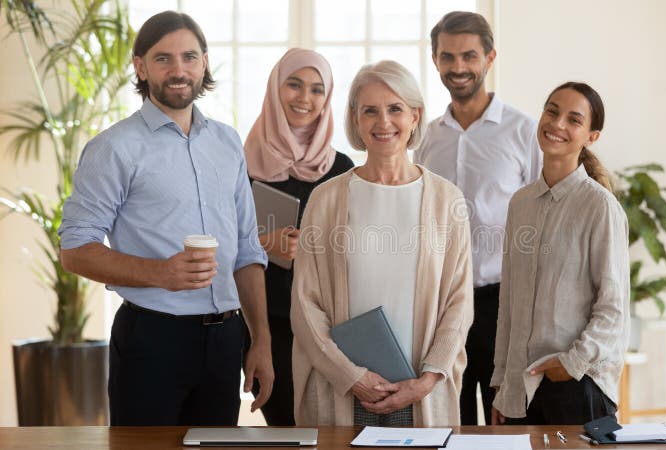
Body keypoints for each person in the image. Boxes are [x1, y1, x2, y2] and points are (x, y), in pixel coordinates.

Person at [58, 11, 274, 426]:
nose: (179, 70)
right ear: (140, 66)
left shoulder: (227, 142)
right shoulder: (114, 149)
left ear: (205, 61)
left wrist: (260, 340)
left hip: (225, 340)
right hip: (151, 340)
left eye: (189, 57)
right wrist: (161, 273)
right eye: (163, 59)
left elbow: (248, 247)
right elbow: (75, 250)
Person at [290, 60, 473, 426]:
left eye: (395, 109)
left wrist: (428, 379)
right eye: (369, 111)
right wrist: (350, 376)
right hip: (342, 386)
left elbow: (459, 300)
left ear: (415, 116)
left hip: (420, 389)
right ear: (355, 119)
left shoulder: (446, 199)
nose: (383, 122)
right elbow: (304, 303)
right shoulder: (326, 199)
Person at [413, 11, 543, 425]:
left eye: (469, 55)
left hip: (503, 302)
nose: (458, 67)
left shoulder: (524, 132)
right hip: (442, 303)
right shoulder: (426, 138)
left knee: (509, 422)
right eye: (447, 57)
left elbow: (545, 220)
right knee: (451, 418)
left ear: (490, 57)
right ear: (435, 60)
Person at [490, 82, 630, 425]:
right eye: (552, 111)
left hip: (578, 387)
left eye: (573, 119)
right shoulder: (520, 204)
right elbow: (509, 301)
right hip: (521, 393)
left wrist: (571, 364)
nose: (557, 124)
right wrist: (502, 384)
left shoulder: (600, 207)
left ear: (591, 137)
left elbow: (613, 307)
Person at [243, 48, 354, 425]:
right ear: (276, 87)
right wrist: (263, 245)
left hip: (327, 326)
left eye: (317, 89)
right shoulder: (240, 162)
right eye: (294, 84)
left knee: (331, 428)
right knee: (283, 429)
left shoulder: (341, 168)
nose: (304, 98)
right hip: (264, 323)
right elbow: (215, 244)